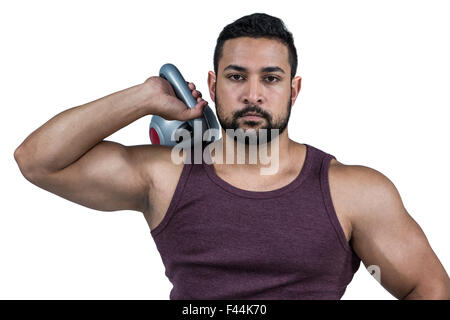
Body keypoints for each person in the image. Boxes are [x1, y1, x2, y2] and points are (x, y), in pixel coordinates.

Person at [14, 13, 449, 300]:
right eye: (236, 77)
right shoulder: (166, 175)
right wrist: (144, 96)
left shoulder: (353, 190)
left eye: (271, 79)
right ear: (213, 85)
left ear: (293, 90)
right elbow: (37, 160)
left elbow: (427, 288)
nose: (253, 95)